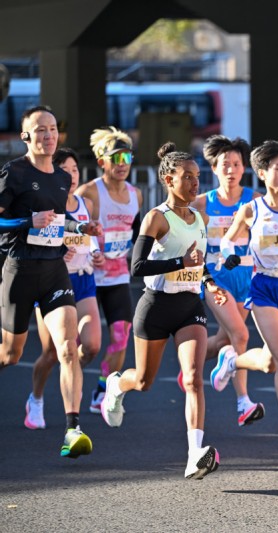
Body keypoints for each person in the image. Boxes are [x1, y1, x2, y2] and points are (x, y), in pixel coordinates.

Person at [100, 142, 226, 480]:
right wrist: (178, 263)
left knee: (194, 378)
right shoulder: (157, 217)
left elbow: (199, 260)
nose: (194, 183)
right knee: (143, 381)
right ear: (168, 180)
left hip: (189, 305)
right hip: (155, 306)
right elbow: (136, 266)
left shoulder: (199, 217)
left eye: (197, 177)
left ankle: (194, 453)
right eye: (187, 177)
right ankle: (116, 386)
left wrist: (210, 282)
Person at [0, 105, 102, 458]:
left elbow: (57, 222)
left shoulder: (61, 177)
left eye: (53, 129)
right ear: (25, 136)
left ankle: (72, 430)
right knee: (11, 355)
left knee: (68, 348)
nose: (47, 135)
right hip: (20, 269)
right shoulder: (13, 173)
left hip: (54, 269)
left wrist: (80, 228)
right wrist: (28, 221)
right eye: (40, 130)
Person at [208, 140, 278, 456]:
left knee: (271, 362)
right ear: (261, 173)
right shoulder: (252, 210)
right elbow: (228, 242)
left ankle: (232, 360)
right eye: (277, 169)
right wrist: (229, 255)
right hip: (265, 288)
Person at [24, 148, 104, 430]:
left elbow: (93, 238)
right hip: (49, 282)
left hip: (82, 281)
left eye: (74, 170)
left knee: (91, 345)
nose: (70, 175)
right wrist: (59, 252)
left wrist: (96, 253)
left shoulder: (85, 203)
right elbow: (31, 243)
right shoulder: (45, 205)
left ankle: (71, 376)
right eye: (64, 170)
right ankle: (36, 398)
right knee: (50, 354)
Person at [188, 135, 264, 427]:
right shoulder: (201, 204)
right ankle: (243, 402)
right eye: (224, 165)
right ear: (214, 169)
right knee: (241, 336)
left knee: (226, 338)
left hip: (248, 276)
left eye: (236, 164)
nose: (231, 170)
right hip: (216, 278)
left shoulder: (255, 201)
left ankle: (190, 365)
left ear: (244, 167)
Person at [76, 127, 142, 415]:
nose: (122, 163)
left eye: (126, 156)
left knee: (121, 336)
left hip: (117, 276)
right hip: (88, 275)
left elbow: (138, 234)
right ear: (102, 161)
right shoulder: (89, 192)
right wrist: (90, 250)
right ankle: (71, 370)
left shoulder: (136, 194)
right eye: (114, 158)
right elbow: (72, 228)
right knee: (85, 344)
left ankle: (103, 387)